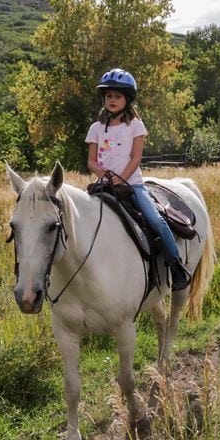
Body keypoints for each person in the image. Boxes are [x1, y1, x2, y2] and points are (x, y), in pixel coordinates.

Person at [86, 67, 191, 291]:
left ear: (127, 99)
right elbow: (91, 161)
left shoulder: (135, 126)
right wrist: (101, 174)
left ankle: (176, 267)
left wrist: (120, 179)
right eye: (108, 96)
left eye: (117, 96)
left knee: (155, 220)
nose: (112, 100)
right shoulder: (96, 128)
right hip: (104, 184)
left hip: (132, 185)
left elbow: (136, 158)